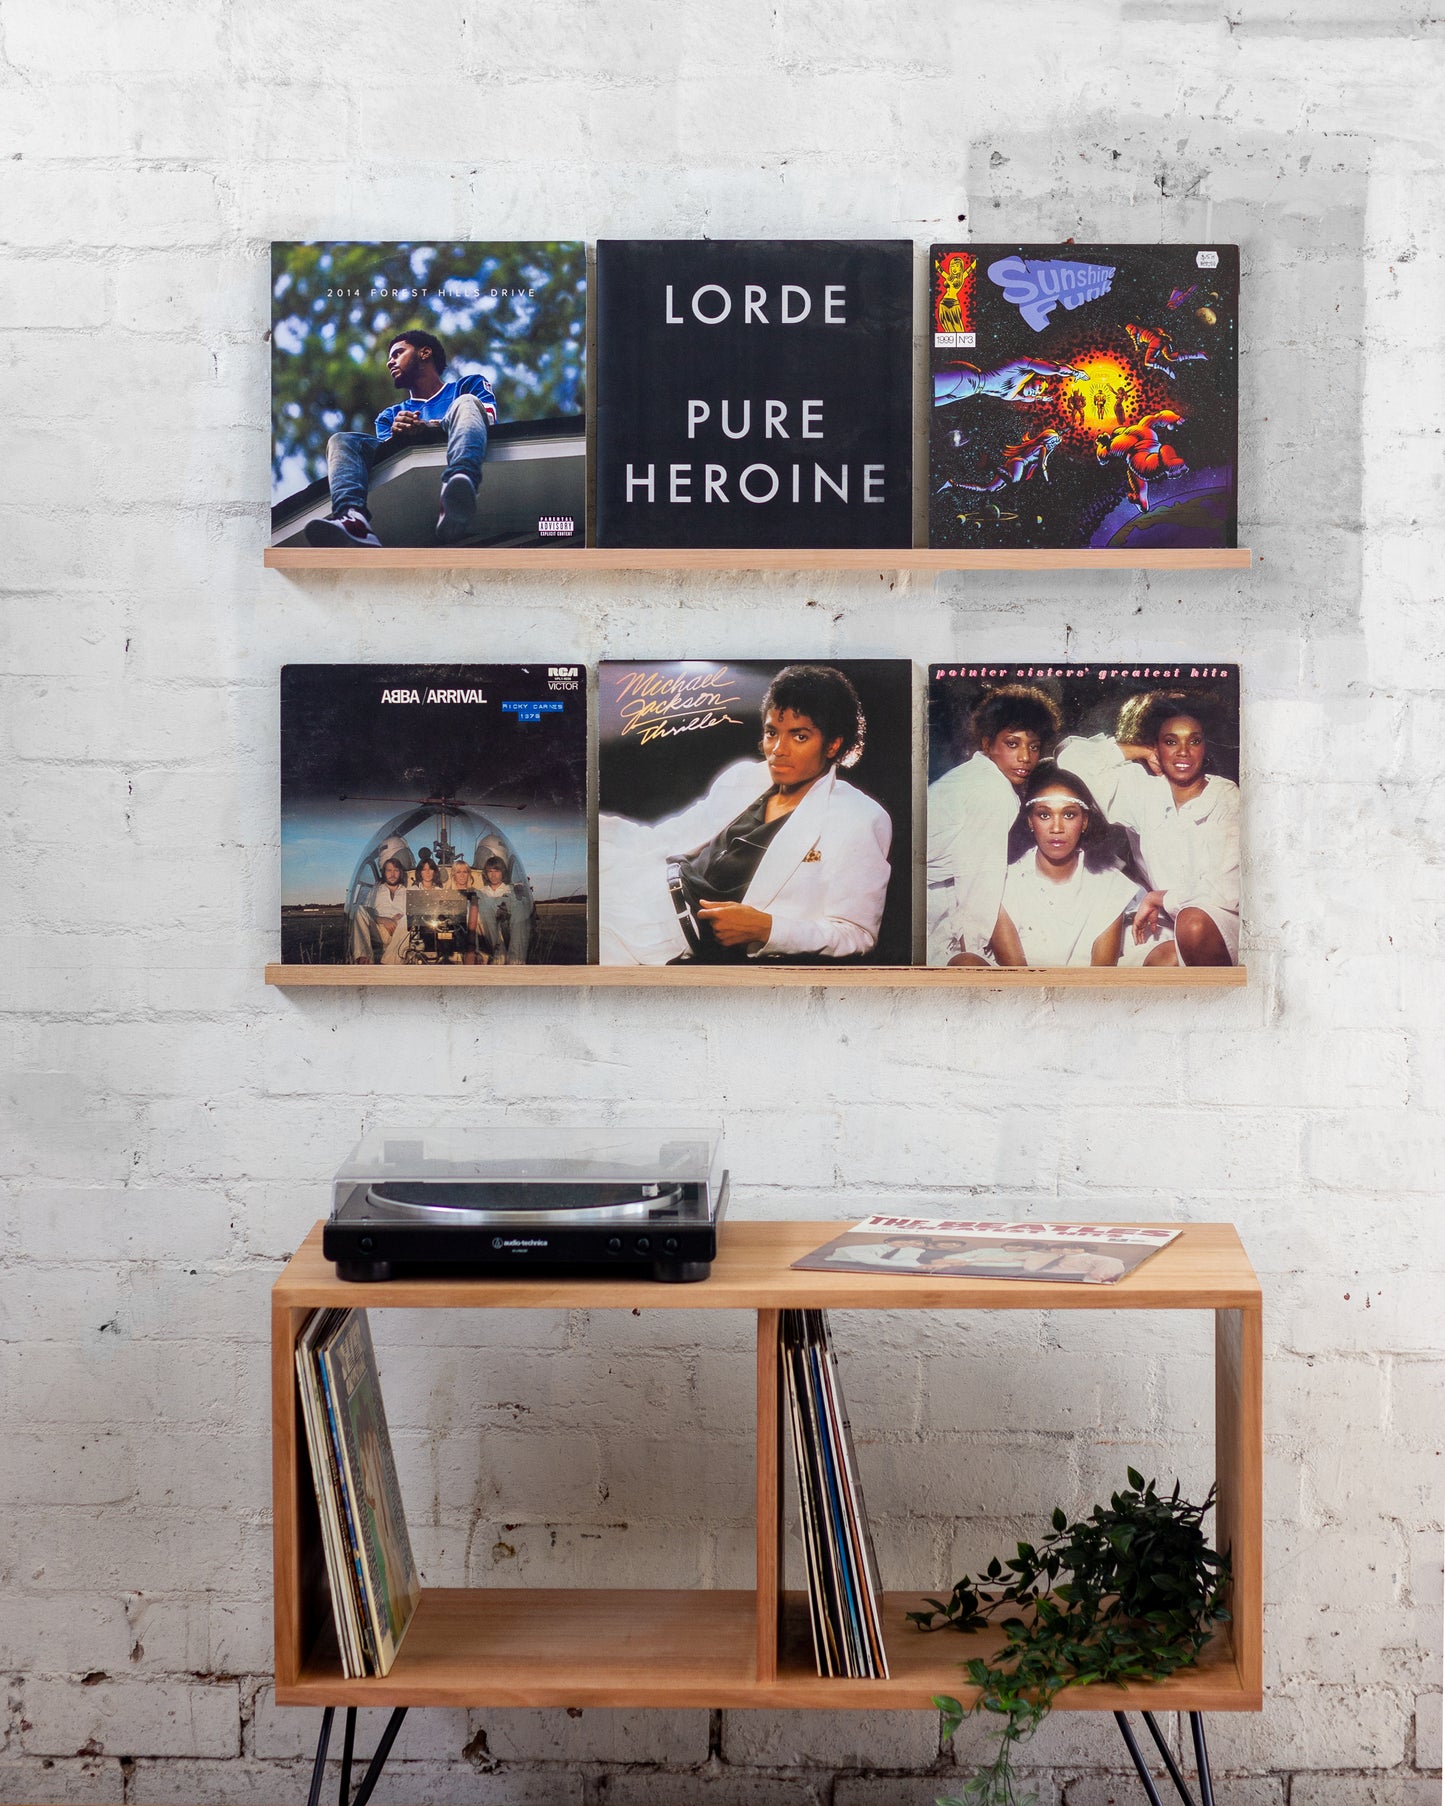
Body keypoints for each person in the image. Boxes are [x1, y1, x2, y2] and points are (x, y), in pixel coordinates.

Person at [600, 665, 892, 965]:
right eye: (771, 733)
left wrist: (768, 928)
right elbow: (666, 838)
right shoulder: (745, 777)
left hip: (664, 937)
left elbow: (856, 934)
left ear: (833, 744)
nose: (778, 749)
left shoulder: (860, 818)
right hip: (640, 884)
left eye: (799, 736)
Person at [1059, 694, 1240, 967]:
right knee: (1157, 961)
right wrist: (1139, 751)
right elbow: (1070, 761)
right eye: (1170, 741)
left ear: (1205, 746)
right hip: (1169, 920)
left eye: (1194, 740)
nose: (1183, 751)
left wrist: (1160, 898)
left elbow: (1227, 889)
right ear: (1156, 745)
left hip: (1220, 922)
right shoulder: (1143, 792)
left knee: (1193, 923)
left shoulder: (1226, 796)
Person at [305, 329, 497, 549]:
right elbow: (390, 464)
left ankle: (460, 485)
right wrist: (397, 438)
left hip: (461, 451)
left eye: (397, 354)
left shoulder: (467, 386)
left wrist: (427, 427)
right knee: (341, 440)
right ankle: (353, 520)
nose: (390, 363)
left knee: (466, 402)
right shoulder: (389, 417)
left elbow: (488, 418)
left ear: (424, 353)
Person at [927, 683, 1062, 966]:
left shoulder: (974, 775)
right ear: (987, 745)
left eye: (1034, 746)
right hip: (929, 905)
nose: (1025, 758)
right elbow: (977, 878)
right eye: (1012, 744)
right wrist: (974, 952)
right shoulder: (992, 791)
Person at [971, 763, 1139, 969]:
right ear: (1030, 822)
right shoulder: (1003, 882)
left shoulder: (1111, 883)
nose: (1057, 828)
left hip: (1086, 992)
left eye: (1068, 815)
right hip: (1022, 992)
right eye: (1044, 815)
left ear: (1084, 822)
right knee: (963, 962)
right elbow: (1015, 974)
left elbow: (1101, 972)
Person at [352, 856, 412, 965]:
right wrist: (382, 919)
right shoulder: (376, 890)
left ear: (400, 873)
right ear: (384, 872)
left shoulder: (407, 891)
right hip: (379, 930)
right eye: (389, 870)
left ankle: (388, 963)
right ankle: (365, 958)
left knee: (408, 919)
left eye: (396, 870)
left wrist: (400, 919)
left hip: (400, 931)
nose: (392, 874)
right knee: (359, 909)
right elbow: (367, 911)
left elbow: (413, 913)